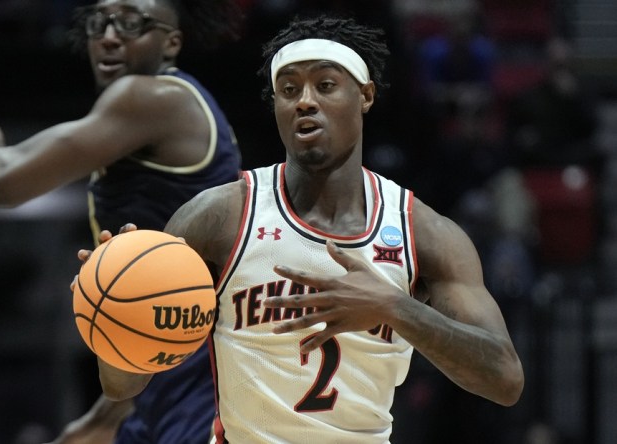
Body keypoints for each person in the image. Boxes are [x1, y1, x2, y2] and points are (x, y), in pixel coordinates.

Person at [87, 15, 524, 443]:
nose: (305, 101)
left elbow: (505, 380)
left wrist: (396, 308)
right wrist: (113, 302)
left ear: (366, 95)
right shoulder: (217, 216)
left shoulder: (424, 232)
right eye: (289, 90)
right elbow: (123, 384)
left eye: (326, 85)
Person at [0, 0, 243, 443]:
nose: (108, 34)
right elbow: (147, 304)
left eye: (131, 22)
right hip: (158, 379)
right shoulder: (181, 105)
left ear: (172, 42)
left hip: (205, 386)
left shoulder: (151, 98)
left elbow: (3, 182)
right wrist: (106, 416)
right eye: (98, 21)